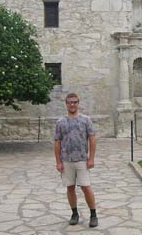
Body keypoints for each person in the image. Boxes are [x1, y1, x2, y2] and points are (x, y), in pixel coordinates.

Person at [54, 93, 98, 228]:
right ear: (66, 104)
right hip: (66, 160)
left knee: (86, 187)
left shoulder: (86, 120)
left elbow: (92, 139)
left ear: (78, 103)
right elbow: (57, 142)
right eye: (69, 102)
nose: (72, 105)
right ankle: (74, 213)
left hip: (82, 160)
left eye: (74, 102)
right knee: (70, 187)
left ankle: (93, 215)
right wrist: (58, 162)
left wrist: (91, 158)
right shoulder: (60, 122)